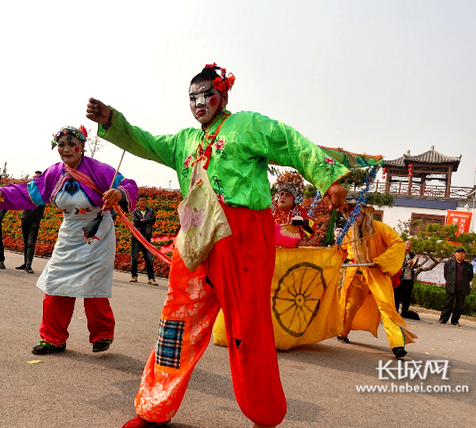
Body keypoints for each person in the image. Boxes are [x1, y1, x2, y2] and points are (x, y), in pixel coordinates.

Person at [86, 63, 349, 428]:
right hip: (195, 237)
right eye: (191, 97)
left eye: (205, 94)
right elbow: (145, 142)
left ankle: (264, 413)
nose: (198, 103)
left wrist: (328, 175)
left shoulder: (248, 125)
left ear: (222, 95)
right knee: (176, 323)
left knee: (248, 328)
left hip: (242, 240)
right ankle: (153, 408)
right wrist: (114, 121)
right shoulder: (182, 141)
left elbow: (290, 141)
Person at [0, 125, 137, 355]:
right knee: (55, 284)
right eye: (61, 144)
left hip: (98, 234)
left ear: (82, 146)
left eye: (72, 144)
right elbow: (28, 193)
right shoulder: (54, 173)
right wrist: (0, 194)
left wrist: (120, 193)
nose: (66, 149)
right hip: (69, 233)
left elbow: (128, 185)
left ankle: (102, 334)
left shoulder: (99, 170)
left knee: (93, 288)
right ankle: (53, 338)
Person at [337, 203, 415, 360]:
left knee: (387, 308)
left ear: (366, 214)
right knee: (350, 306)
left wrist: (382, 260)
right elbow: (339, 251)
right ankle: (342, 332)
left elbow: (397, 244)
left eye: (358, 212)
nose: (354, 214)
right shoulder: (347, 233)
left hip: (376, 273)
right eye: (352, 212)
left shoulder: (380, 228)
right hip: (356, 275)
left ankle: (397, 345)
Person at [271, 171, 315, 248]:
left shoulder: (298, 212)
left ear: (294, 200)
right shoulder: (269, 209)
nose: (283, 197)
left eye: (287, 195)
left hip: (289, 254)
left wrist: (302, 222)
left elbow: (312, 229)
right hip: (267, 250)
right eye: (281, 194)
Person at [16, 171, 45, 274]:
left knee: (30, 243)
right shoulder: (28, 189)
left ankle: (29, 265)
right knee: (25, 242)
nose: (34, 179)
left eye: (37, 177)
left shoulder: (44, 191)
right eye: (33, 177)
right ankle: (25, 263)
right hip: (25, 218)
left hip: (35, 220)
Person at [438, 248, 473, 326]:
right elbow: (446, 275)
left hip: (462, 288)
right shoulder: (448, 263)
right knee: (447, 304)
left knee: (459, 306)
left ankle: (455, 321)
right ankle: (443, 319)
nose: (460, 255)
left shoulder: (468, 266)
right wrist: (450, 282)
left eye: (462, 253)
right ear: (455, 254)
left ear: (464, 255)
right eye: (458, 253)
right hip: (451, 287)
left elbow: (470, 277)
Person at [130, 194, 158, 285]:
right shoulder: (135, 211)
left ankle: (151, 278)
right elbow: (136, 222)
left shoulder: (150, 211)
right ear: (138, 202)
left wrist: (143, 221)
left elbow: (153, 220)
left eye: (144, 200)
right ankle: (134, 276)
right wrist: (147, 221)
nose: (143, 202)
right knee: (134, 257)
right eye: (141, 200)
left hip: (146, 237)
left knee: (149, 258)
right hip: (136, 237)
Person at [394, 240, 420, 320]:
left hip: (409, 278)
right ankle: (395, 311)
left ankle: (405, 311)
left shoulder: (413, 255)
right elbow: (398, 264)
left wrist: (415, 265)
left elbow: (414, 266)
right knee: (397, 295)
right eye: (407, 244)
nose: (408, 246)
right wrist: (406, 263)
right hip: (400, 278)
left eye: (410, 244)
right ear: (404, 245)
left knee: (407, 296)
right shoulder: (400, 253)